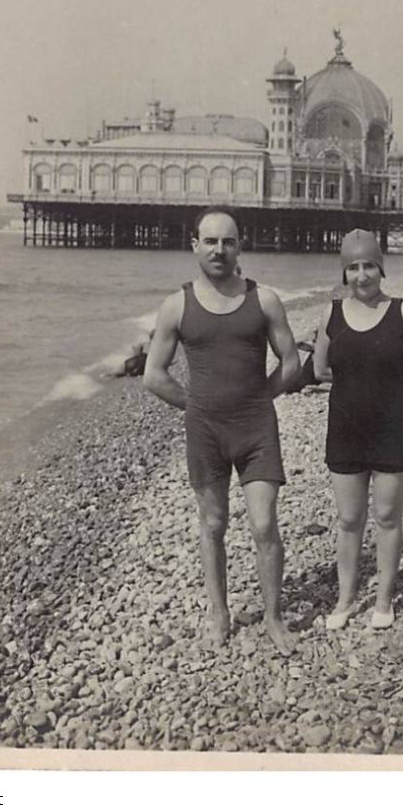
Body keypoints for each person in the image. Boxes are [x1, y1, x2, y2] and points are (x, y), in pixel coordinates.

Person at [144, 207, 301, 655]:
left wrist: (259, 399)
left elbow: (290, 364)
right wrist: (197, 406)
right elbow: (154, 375)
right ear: (193, 245)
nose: (219, 249)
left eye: (228, 241)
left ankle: (273, 617)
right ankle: (219, 613)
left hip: (256, 429)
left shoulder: (264, 299)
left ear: (239, 246)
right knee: (213, 523)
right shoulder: (177, 305)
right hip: (205, 432)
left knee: (264, 523)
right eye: (210, 241)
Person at [313, 229, 403, 631]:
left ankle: (384, 599)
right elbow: (319, 369)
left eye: (369, 266)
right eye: (353, 268)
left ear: (381, 268)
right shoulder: (329, 315)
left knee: (386, 515)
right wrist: (357, 389)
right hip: (345, 429)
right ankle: (345, 599)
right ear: (344, 272)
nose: (362, 275)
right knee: (348, 518)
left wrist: (390, 392)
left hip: (394, 428)